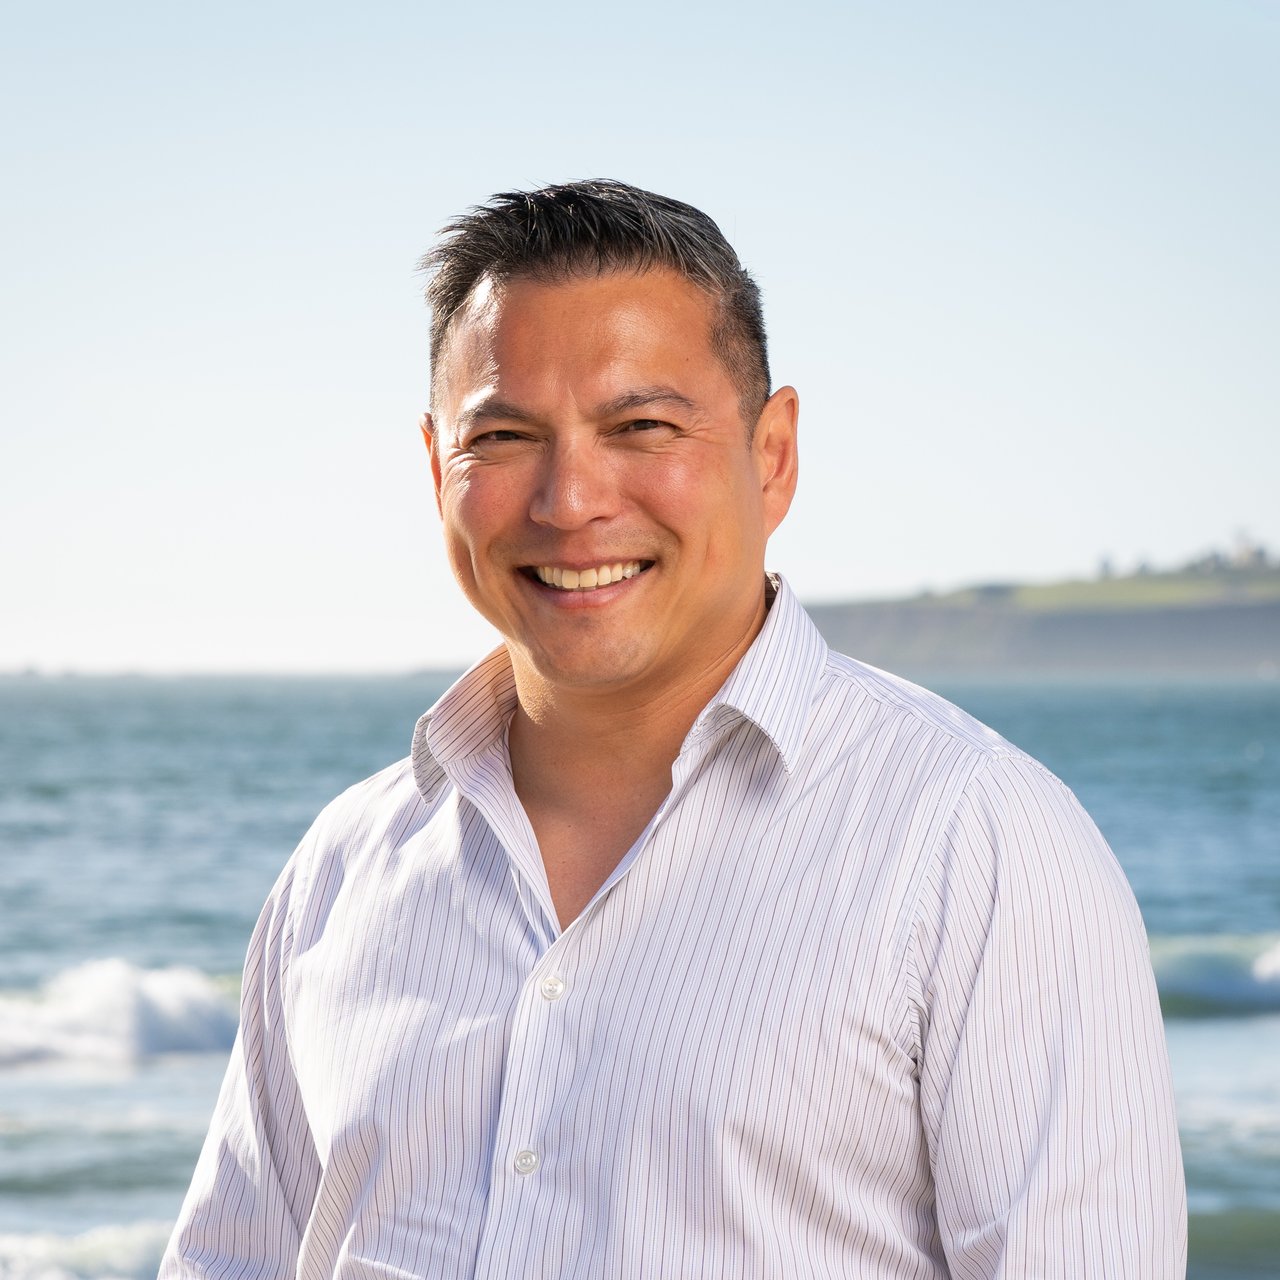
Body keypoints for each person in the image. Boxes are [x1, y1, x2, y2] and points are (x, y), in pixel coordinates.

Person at [161, 179, 1186, 1278]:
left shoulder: (975, 842)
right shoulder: (339, 871)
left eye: (639, 425)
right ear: (434, 469)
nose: (568, 499)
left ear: (772, 453)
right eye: (502, 435)